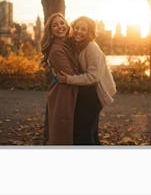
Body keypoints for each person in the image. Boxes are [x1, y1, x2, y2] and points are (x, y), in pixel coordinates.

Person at [57, 16, 117, 145]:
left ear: (90, 32)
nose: (79, 31)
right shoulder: (77, 44)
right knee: (90, 132)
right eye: (77, 28)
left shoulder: (91, 48)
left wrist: (68, 79)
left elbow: (93, 77)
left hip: (95, 94)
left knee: (83, 133)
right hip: (86, 92)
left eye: (83, 29)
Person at [40, 12, 79, 145]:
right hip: (64, 94)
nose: (60, 27)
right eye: (55, 25)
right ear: (51, 31)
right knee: (63, 132)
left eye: (62, 23)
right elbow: (71, 75)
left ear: (67, 25)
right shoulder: (56, 50)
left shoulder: (67, 43)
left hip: (68, 90)